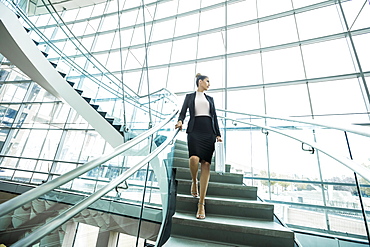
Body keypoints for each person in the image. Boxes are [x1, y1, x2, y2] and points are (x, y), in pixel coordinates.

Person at [175, 73, 222, 219]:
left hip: (209, 132)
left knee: (206, 164)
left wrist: (218, 134)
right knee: (194, 159)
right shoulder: (189, 97)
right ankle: (194, 181)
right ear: (200, 82)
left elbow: (214, 117)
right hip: (195, 131)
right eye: (207, 81)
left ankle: (201, 204)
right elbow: (182, 112)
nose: (209, 84)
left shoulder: (210, 99)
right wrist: (180, 121)